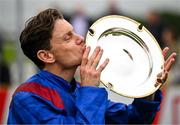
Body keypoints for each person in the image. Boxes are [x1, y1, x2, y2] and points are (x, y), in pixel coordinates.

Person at [7, 8, 176, 124]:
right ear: (46, 56)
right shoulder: (28, 97)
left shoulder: (77, 89)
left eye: (74, 32)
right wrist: (89, 90)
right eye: (68, 38)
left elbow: (134, 119)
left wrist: (148, 84)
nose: (80, 38)